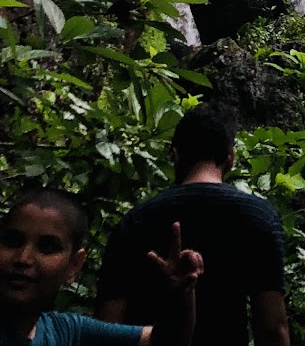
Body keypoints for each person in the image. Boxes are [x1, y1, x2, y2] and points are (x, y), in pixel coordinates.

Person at [97, 106, 287, 346]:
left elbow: (108, 325)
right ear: (230, 158)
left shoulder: (136, 220)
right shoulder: (259, 218)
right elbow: (273, 329)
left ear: (175, 155)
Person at [0, 188, 201, 346]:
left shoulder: (64, 331)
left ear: (73, 266)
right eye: (12, 241)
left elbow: (165, 341)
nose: (23, 258)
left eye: (47, 247)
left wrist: (182, 294)